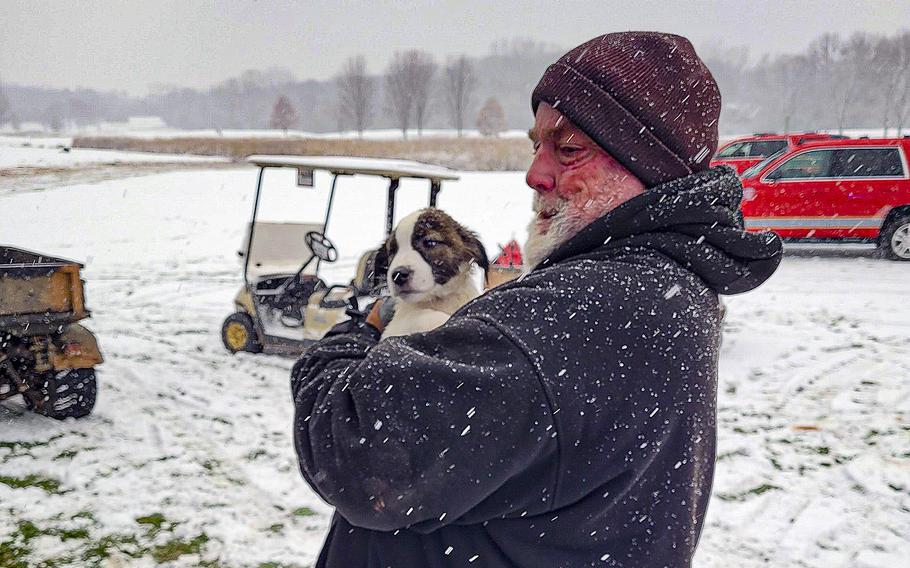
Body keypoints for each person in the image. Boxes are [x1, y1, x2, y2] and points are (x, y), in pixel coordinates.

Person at [290, 32, 782, 568]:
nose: (535, 173)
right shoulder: (676, 281)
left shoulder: (572, 314)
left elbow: (349, 448)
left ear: (650, 165)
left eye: (568, 149)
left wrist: (352, 338)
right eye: (536, 145)